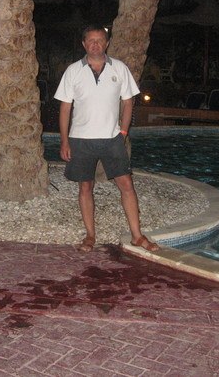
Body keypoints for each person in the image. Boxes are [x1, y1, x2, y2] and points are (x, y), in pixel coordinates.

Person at [53, 24, 160, 253]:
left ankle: (137, 235)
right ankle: (90, 235)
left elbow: (128, 102)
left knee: (126, 185)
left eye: (100, 40)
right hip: (81, 139)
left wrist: (124, 131)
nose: (95, 44)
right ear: (84, 44)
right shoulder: (73, 71)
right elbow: (65, 108)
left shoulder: (119, 68)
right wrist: (64, 141)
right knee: (85, 186)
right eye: (91, 40)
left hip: (112, 138)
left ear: (107, 43)